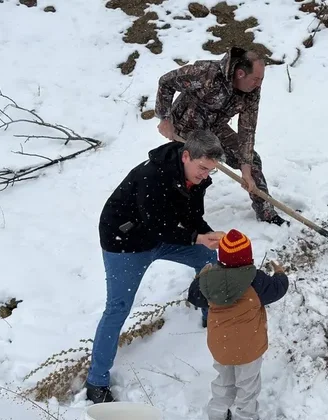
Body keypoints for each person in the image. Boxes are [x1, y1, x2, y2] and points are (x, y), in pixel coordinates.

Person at [85, 129, 226, 404]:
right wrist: (196, 237)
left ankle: (210, 312)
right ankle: (96, 381)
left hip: (162, 236)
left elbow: (193, 216)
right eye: (202, 168)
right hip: (126, 242)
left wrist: (208, 234)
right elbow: (157, 224)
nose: (206, 175)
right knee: (117, 308)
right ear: (186, 156)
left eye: (211, 170)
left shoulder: (196, 178)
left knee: (208, 258)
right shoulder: (153, 176)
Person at [154, 46, 289, 227]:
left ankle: (266, 213)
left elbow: (247, 129)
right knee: (188, 173)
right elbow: (166, 82)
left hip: (214, 128)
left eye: (261, 79)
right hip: (185, 129)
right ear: (240, 73)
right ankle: (171, 219)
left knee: (252, 161)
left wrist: (246, 169)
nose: (259, 84)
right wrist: (165, 118)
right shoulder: (206, 73)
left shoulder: (251, 92)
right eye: (256, 79)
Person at [187, 229, 289, 420]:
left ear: (221, 258)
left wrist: (200, 277)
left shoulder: (209, 281)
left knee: (223, 383)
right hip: (249, 348)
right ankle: (245, 415)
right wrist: (280, 273)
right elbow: (278, 289)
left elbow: (194, 296)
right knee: (247, 386)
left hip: (221, 347)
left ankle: (217, 413)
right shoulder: (256, 280)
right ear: (248, 258)